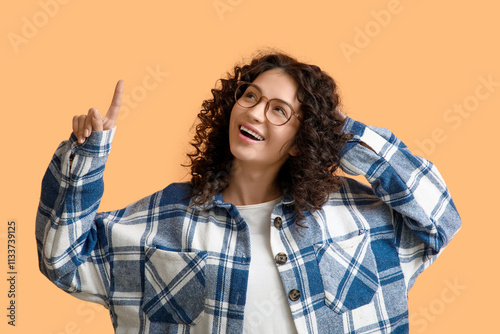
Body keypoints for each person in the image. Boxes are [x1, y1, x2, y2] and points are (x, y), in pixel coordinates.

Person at [36, 52, 461, 334]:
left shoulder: (358, 215)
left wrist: (341, 134)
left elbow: (440, 216)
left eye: (279, 110)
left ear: (302, 136)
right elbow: (62, 260)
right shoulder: (166, 218)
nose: (255, 111)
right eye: (251, 96)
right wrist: (88, 156)